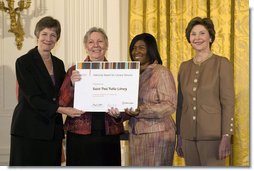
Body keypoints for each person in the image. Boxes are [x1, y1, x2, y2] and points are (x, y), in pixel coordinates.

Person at [9, 16, 83, 166]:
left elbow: (61, 93)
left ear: (57, 39)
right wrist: (63, 110)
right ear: (37, 35)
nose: (48, 39)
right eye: (44, 34)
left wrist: (73, 84)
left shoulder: (58, 63)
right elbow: (33, 97)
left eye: (53, 35)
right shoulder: (23, 62)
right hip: (28, 129)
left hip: (52, 131)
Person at [59, 27, 124, 166]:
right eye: (91, 42)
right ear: (86, 47)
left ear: (106, 45)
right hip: (79, 136)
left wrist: (119, 115)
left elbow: (126, 105)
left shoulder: (118, 71)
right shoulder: (74, 70)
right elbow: (62, 102)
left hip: (108, 136)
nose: (96, 45)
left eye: (100, 41)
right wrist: (71, 85)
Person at [109, 33, 177, 166]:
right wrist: (118, 115)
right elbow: (127, 105)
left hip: (158, 136)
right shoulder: (131, 75)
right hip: (136, 135)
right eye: (134, 48)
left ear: (151, 50)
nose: (136, 51)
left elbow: (169, 105)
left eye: (141, 47)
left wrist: (140, 110)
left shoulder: (161, 72)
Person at [175, 17, 235, 166]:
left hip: (214, 138)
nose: (197, 38)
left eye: (202, 33)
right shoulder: (184, 67)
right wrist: (180, 136)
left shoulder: (222, 63)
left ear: (210, 37)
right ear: (189, 38)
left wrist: (226, 135)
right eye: (193, 34)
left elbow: (228, 103)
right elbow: (180, 105)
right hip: (188, 138)